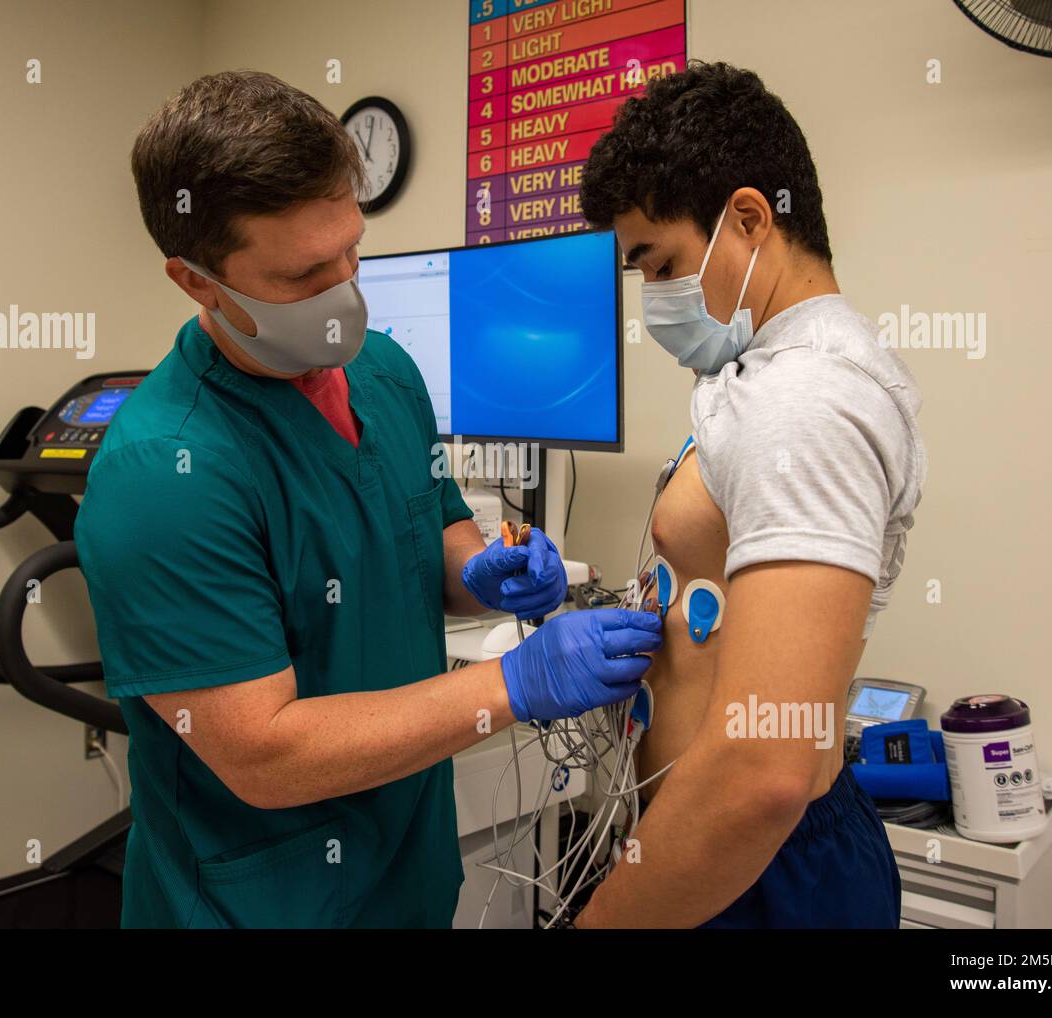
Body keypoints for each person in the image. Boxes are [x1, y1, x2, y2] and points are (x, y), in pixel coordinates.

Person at [74, 70, 662, 928]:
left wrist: (485, 570)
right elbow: (265, 753)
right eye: (304, 274)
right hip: (263, 902)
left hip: (404, 866)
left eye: (351, 250)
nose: (346, 292)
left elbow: (437, 531)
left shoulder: (384, 372)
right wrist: (517, 682)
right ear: (197, 282)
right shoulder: (162, 474)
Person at [571, 61, 927, 928]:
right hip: (733, 849)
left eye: (659, 264)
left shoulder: (804, 397)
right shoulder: (760, 371)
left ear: (749, 218)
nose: (653, 296)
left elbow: (767, 766)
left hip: (767, 864)